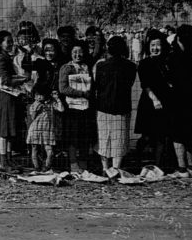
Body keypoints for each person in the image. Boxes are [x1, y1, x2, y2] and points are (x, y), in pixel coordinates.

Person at [93, 35, 137, 175]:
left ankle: (105, 168)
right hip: (122, 105)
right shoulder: (131, 66)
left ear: (108, 48)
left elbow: (97, 85)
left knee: (103, 137)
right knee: (120, 137)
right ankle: (116, 168)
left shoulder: (101, 65)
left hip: (103, 105)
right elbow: (130, 84)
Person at [134, 30, 173, 167]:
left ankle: (158, 165)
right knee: (147, 136)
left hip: (166, 101)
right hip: (150, 102)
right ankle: (138, 159)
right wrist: (155, 100)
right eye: (152, 45)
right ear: (148, 47)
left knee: (162, 135)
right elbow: (146, 85)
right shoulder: (144, 63)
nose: (155, 48)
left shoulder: (167, 62)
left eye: (158, 45)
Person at [0, 30, 28, 172]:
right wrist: (23, 79)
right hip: (6, 96)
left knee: (9, 130)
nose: (11, 44)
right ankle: (3, 163)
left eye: (11, 41)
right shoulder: (1, 58)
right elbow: (5, 80)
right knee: (4, 131)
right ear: (0, 43)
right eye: (8, 41)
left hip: (11, 97)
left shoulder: (7, 57)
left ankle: (8, 160)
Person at [58, 41, 93, 173]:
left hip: (86, 107)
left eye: (80, 52)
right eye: (74, 52)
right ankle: (73, 163)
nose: (77, 55)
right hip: (72, 108)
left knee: (85, 136)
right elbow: (63, 88)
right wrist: (81, 93)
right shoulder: (66, 68)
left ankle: (83, 163)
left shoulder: (86, 67)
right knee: (73, 137)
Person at [167, 25, 192, 178]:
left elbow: (170, 80)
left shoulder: (173, 57)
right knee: (190, 132)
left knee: (177, 134)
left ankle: (182, 168)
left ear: (178, 38)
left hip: (176, 99)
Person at [26, 83, 63, 172]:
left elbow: (61, 109)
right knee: (34, 148)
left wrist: (57, 99)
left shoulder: (51, 103)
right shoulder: (34, 105)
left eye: (40, 95)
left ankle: (46, 166)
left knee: (49, 150)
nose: (38, 97)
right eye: (36, 95)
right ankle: (36, 167)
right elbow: (33, 117)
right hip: (35, 129)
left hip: (47, 130)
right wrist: (36, 108)